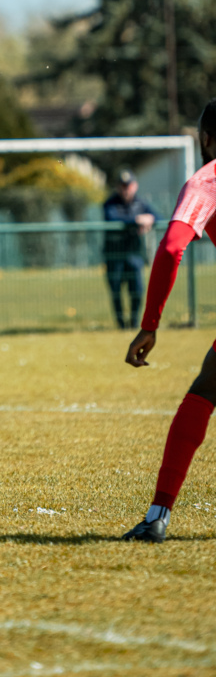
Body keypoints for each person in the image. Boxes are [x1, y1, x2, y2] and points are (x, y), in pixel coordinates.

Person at [123, 99, 216, 543]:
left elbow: (171, 247)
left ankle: (158, 515)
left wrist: (150, 323)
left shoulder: (206, 179)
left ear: (206, 139)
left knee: (202, 395)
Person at [103, 169, 157, 330]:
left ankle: (134, 322)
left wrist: (150, 218)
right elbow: (111, 218)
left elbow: (157, 216)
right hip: (114, 255)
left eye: (128, 185)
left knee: (137, 291)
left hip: (134, 254)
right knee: (116, 291)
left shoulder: (142, 203)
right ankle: (121, 325)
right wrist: (136, 220)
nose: (125, 189)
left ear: (135, 186)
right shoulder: (110, 203)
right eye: (122, 185)